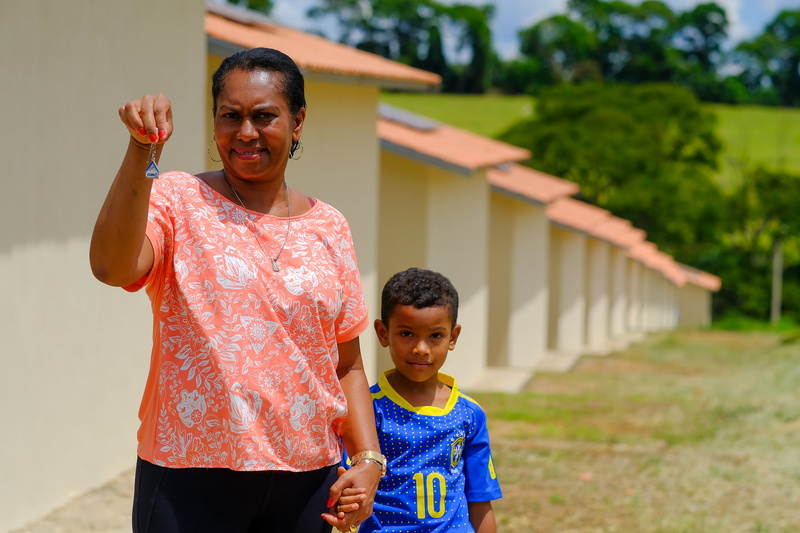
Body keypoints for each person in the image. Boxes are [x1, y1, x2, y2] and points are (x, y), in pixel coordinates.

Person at [90, 47, 384, 533]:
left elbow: (347, 363)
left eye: (264, 116)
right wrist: (143, 150)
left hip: (307, 481)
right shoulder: (179, 199)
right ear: (214, 122)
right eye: (231, 116)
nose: (246, 132)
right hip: (190, 475)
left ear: (298, 121)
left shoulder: (330, 227)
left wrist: (368, 460)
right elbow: (111, 266)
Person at [340, 268, 502, 532]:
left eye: (435, 336)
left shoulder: (469, 414)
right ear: (383, 333)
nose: (421, 348)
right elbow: (349, 486)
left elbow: (481, 502)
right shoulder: (366, 409)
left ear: (453, 337)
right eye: (406, 334)